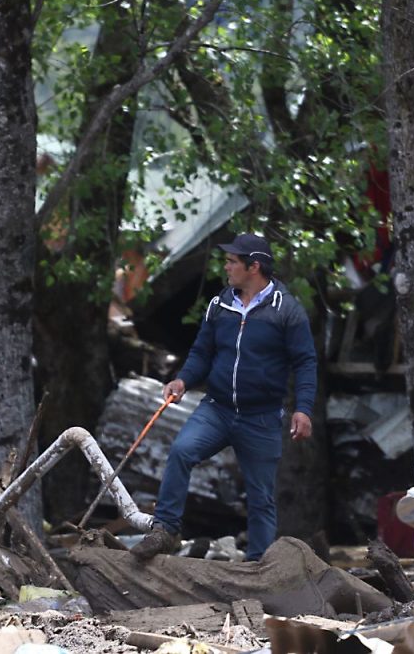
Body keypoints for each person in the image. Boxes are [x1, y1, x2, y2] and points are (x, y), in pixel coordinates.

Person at [130, 233, 318, 561]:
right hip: (216, 409)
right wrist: (183, 380)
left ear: (254, 266)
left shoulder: (286, 310)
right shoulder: (220, 304)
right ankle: (165, 530)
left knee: (261, 497)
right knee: (181, 452)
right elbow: (203, 351)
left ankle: (258, 565)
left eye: (232, 261)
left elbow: (305, 362)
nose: (226, 266)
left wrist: (303, 409)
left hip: (261, 416)